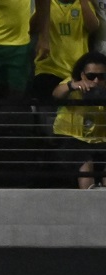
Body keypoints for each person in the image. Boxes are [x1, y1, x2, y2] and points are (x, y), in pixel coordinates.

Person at [53, 51, 106, 187]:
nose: (96, 81)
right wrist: (72, 86)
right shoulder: (71, 83)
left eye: (101, 77)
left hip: (99, 142)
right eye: (91, 76)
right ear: (82, 75)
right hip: (71, 138)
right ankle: (88, 199)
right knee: (84, 162)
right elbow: (56, 93)